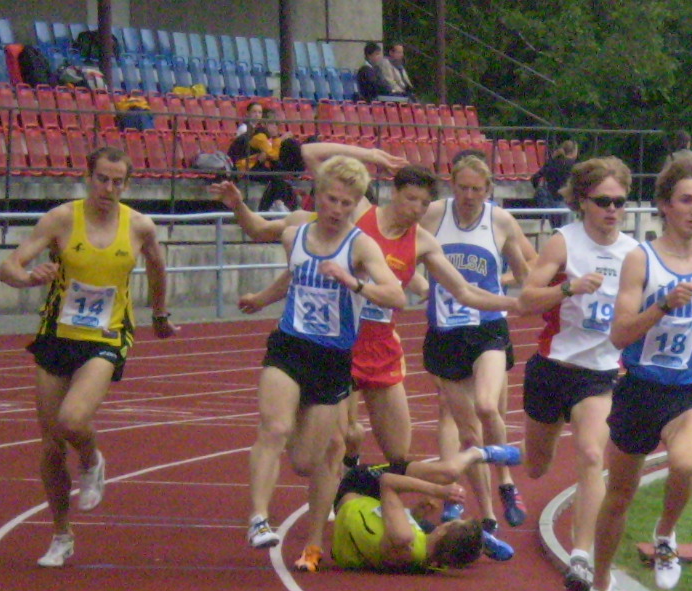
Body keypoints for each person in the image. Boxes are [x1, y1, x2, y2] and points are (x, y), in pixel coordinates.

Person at [216, 164, 528, 480]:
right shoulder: (355, 215)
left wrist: (513, 302)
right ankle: (339, 496)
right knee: (339, 440)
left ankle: (365, 479)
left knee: (398, 453)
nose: (417, 209)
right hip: (339, 346)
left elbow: (462, 290)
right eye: (411, 199)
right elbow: (263, 232)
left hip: (380, 349)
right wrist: (239, 206)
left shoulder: (422, 242)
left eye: (424, 203)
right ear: (393, 192)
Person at [581, 152, 692, 591]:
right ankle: (601, 585)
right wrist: (663, 306)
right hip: (640, 389)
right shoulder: (640, 260)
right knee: (620, 495)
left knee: (687, 463)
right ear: (665, 206)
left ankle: (666, 535)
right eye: (686, 200)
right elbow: (619, 335)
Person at [0, 146, 175, 568]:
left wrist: (161, 314)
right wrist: (28, 277)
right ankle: (61, 533)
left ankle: (93, 460)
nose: (109, 189)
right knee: (52, 447)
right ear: (88, 177)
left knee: (72, 420)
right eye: (102, 179)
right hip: (57, 334)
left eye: (118, 182)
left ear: (126, 184)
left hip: (107, 336)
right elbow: (9, 265)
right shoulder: (61, 219)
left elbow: (157, 268)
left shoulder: (140, 226)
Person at [234, 154, 408, 569]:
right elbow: (294, 275)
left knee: (306, 462)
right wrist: (260, 299)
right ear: (316, 196)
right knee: (273, 427)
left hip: (332, 359)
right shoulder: (295, 235)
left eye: (348, 204)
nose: (337, 210)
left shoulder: (360, 246)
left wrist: (355, 282)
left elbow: (397, 295)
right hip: (290, 346)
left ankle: (311, 526)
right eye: (331, 200)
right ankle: (258, 517)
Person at [519, 155, 640, 591]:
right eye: (603, 201)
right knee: (536, 467)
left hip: (601, 374)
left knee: (592, 455)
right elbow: (527, 299)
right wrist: (568, 287)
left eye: (620, 202)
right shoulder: (563, 243)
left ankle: (581, 555)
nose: (612, 210)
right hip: (553, 368)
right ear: (582, 202)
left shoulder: (633, 254)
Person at [421, 149, 537, 558]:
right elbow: (402, 249)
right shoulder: (434, 215)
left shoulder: (500, 220)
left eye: (477, 189)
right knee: (468, 431)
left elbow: (525, 273)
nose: (469, 196)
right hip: (445, 333)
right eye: (462, 187)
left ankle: (506, 483)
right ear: (452, 185)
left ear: (488, 189)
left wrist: (510, 285)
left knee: (489, 406)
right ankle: (486, 514)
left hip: (487, 327)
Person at [330, 447, 519, 573]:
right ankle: (480, 541)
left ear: (443, 529)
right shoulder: (432, 561)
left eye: (453, 522)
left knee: (447, 474)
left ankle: (478, 453)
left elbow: (387, 481)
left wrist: (440, 490)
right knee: (424, 523)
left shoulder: (404, 538)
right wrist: (414, 515)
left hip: (356, 488)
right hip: (363, 525)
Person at [531, 138, 578, 210]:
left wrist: (537, 187)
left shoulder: (552, 161)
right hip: (563, 201)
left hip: (549, 199)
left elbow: (535, 177)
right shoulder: (574, 165)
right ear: (574, 152)